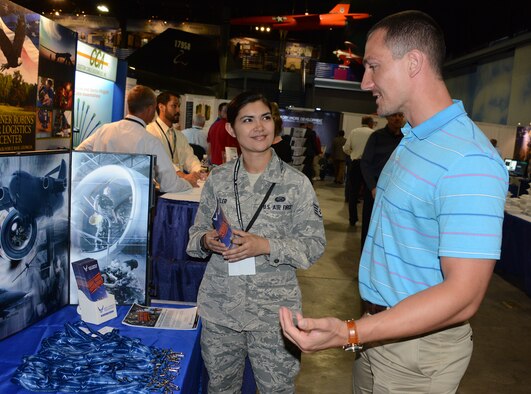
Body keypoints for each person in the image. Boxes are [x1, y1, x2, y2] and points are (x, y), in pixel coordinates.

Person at [279, 10, 508, 394]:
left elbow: (464, 296)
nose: (366, 81)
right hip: (378, 336)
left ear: (414, 62)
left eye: (373, 66)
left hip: (416, 357)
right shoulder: (415, 140)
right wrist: (361, 330)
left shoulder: (468, 159)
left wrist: (349, 332)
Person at [187, 91, 326, 393]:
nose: (259, 127)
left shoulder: (295, 183)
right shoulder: (218, 179)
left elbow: (313, 245)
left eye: (265, 118)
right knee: (221, 388)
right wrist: (206, 240)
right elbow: (195, 234)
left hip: (274, 315)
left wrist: (266, 246)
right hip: (221, 307)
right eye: (247, 120)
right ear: (230, 129)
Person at [77, 85, 192, 194]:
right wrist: (188, 183)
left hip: (98, 196)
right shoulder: (150, 141)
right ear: (150, 109)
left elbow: (79, 153)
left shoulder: (104, 130)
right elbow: (169, 184)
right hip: (135, 204)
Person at [360, 112, 405, 246]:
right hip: (375, 189)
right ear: (387, 117)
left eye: (400, 115)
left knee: (391, 228)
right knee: (369, 225)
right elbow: (365, 163)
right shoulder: (377, 136)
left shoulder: (406, 138)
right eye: (394, 115)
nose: (397, 118)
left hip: (396, 189)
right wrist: (372, 187)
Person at [146, 91, 203, 187]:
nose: (178, 110)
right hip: (158, 189)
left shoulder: (179, 135)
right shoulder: (150, 132)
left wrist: (199, 171)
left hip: (178, 186)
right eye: (174, 106)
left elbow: (190, 158)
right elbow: (160, 162)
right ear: (161, 107)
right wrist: (183, 176)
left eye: (179, 106)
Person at [343, 116, 375, 225]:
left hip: (355, 164)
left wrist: (352, 153)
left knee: (353, 192)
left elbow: (346, 148)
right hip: (368, 165)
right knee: (368, 193)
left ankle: (353, 219)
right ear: (370, 123)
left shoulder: (354, 132)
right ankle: (366, 220)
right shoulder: (373, 133)